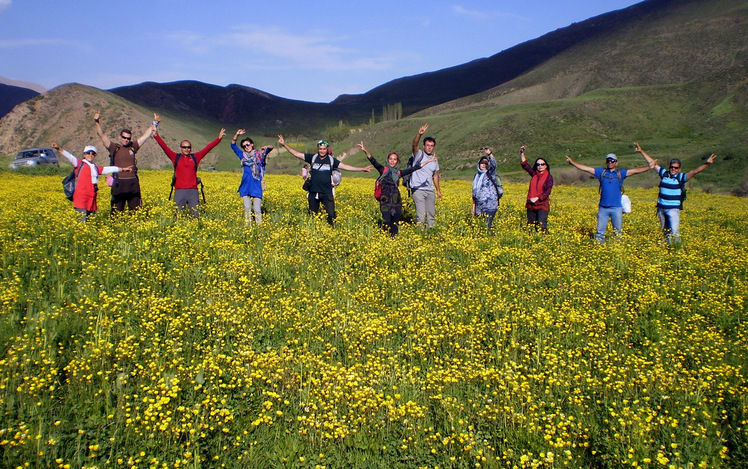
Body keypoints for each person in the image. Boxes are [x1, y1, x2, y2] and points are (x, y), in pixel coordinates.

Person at [277, 136, 371, 225]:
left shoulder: (331, 160)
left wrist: (362, 169)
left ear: (327, 149)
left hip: (326, 192)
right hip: (313, 191)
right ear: (318, 149)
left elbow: (346, 167)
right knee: (313, 215)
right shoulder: (313, 158)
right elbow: (297, 154)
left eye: (324, 149)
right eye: (320, 149)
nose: (322, 151)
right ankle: (314, 232)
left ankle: (332, 230)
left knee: (331, 215)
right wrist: (284, 144)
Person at [635, 142, 717, 243]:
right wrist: (641, 151)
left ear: (679, 169)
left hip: (673, 209)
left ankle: (677, 248)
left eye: (676, 168)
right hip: (661, 208)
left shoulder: (681, 177)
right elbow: (653, 163)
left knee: (674, 231)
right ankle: (668, 248)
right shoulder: (664, 174)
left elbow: (695, 171)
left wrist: (707, 163)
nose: (673, 169)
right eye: (672, 167)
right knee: (665, 231)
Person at [566, 152, 651, 242]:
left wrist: (649, 167)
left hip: (616, 207)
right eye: (608, 161)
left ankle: (617, 249)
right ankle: (599, 249)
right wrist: (572, 162)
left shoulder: (620, 173)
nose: (610, 162)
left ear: (616, 163)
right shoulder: (601, 172)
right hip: (603, 208)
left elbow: (635, 171)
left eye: (612, 161)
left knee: (617, 232)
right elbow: (586, 169)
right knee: (600, 232)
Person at [358, 141, 436, 236]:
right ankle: (384, 237)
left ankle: (393, 239)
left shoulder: (399, 173)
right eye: (391, 159)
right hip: (385, 200)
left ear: (397, 161)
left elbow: (415, 168)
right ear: (388, 160)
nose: (392, 161)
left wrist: (428, 161)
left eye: (394, 159)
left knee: (395, 222)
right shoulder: (383, 170)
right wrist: (365, 150)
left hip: (396, 200)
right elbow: (373, 160)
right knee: (387, 220)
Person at [153, 116, 225, 217]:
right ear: (180, 148)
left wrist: (218, 139)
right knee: (177, 216)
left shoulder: (195, 157)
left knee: (196, 215)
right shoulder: (175, 157)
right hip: (179, 190)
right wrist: (156, 134)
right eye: (184, 147)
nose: (186, 149)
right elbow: (164, 146)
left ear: (191, 148)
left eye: (188, 147)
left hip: (193, 191)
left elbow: (207, 148)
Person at [93, 111, 155, 214]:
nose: (126, 140)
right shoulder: (114, 148)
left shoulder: (133, 146)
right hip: (119, 183)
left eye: (128, 138)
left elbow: (145, 136)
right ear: (119, 137)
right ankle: (116, 227)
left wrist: (155, 123)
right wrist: (97, 122)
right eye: (124, 137)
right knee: (116, 211)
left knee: (136, 210)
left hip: (133, 183)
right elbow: (102, 135)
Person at [52, 143, 132, 221]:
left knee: (91, 221)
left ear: (95, 156)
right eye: (88, 153)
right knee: (82, 222)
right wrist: (58, 148)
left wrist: (123, 169)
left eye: (93, 153)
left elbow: (109, 169)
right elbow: (69, 157)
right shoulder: (79, 164)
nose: (90, 155)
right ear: (84, 154)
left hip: (92, 198)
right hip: (81, 198)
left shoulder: (96, 167)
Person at [230, 129, 272, 225]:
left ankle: (259, 227)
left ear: (252, 144)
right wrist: (236, 134)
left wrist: (266, 146)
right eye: (244, 146)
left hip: (256, 184)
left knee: (257, 209)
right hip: (245, 185)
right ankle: (247, 228)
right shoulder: (243, 155)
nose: (246, 147)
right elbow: (232, 145)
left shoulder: (260, 154)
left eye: (248, 144)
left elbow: (271, 147)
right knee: (247, 208)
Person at [408, 124, 442, 228]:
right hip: (418, 189)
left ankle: (431, 233)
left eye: (432, 146)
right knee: (421, 215)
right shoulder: (419, 154)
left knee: (431, 214)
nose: (430, 147)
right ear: (424, 146)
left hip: (430, 190)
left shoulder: (434, 159)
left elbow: (435, 175)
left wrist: (438, 191)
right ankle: (420, 234)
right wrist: (419, 134)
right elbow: (414, 145)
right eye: (428, 145)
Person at [520, 145, 554, 233]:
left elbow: (548, 191)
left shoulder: (548, 177)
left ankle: (543, 242)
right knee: (530, 227)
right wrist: (522, 153)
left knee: (541, 225)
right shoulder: (534, 174)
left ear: (546, 166)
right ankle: (532, 243)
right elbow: (525, 165)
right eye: (538, 164)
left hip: (541, 204)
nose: (540, 166)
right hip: (531, 204)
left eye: (542, 164)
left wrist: (537, 198)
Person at [471, 147, 503, 229]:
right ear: (479, 164)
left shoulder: (490, 173)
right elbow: (474, 194)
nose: (484, 165)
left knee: (487, 226)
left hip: (490, 206)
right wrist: (473, 208)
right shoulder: (476, 176)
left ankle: (490, 240)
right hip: (479, 207)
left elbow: (494, 165)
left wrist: (489, 154)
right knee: (480, 227)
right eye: (482, 163)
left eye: (486, 163)